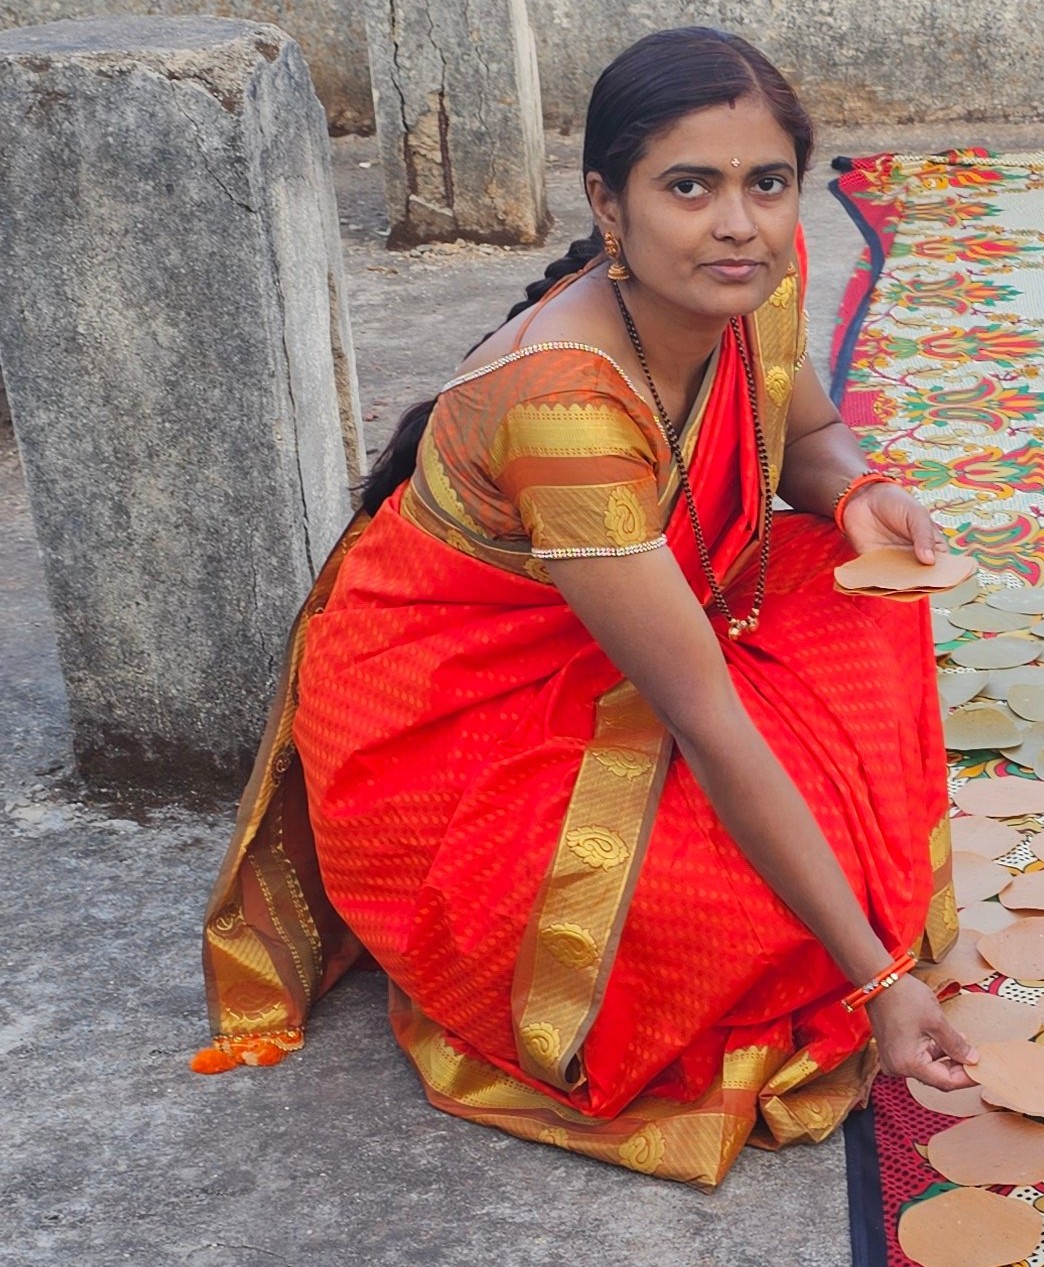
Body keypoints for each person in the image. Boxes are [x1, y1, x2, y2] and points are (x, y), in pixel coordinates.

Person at [195, 27, 977, 1189]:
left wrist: (864, 494)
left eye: (766, 184)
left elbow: (807, 436)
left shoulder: (753, 277)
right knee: (704, 919)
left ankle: (845, 914)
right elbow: (708, 720)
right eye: (688, 187)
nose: (736, 222)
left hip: (649, 618)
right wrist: (877, 983)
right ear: (607, 202)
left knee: (865, 601)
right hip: (454, 717)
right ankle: (841, 943)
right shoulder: (563, 412)